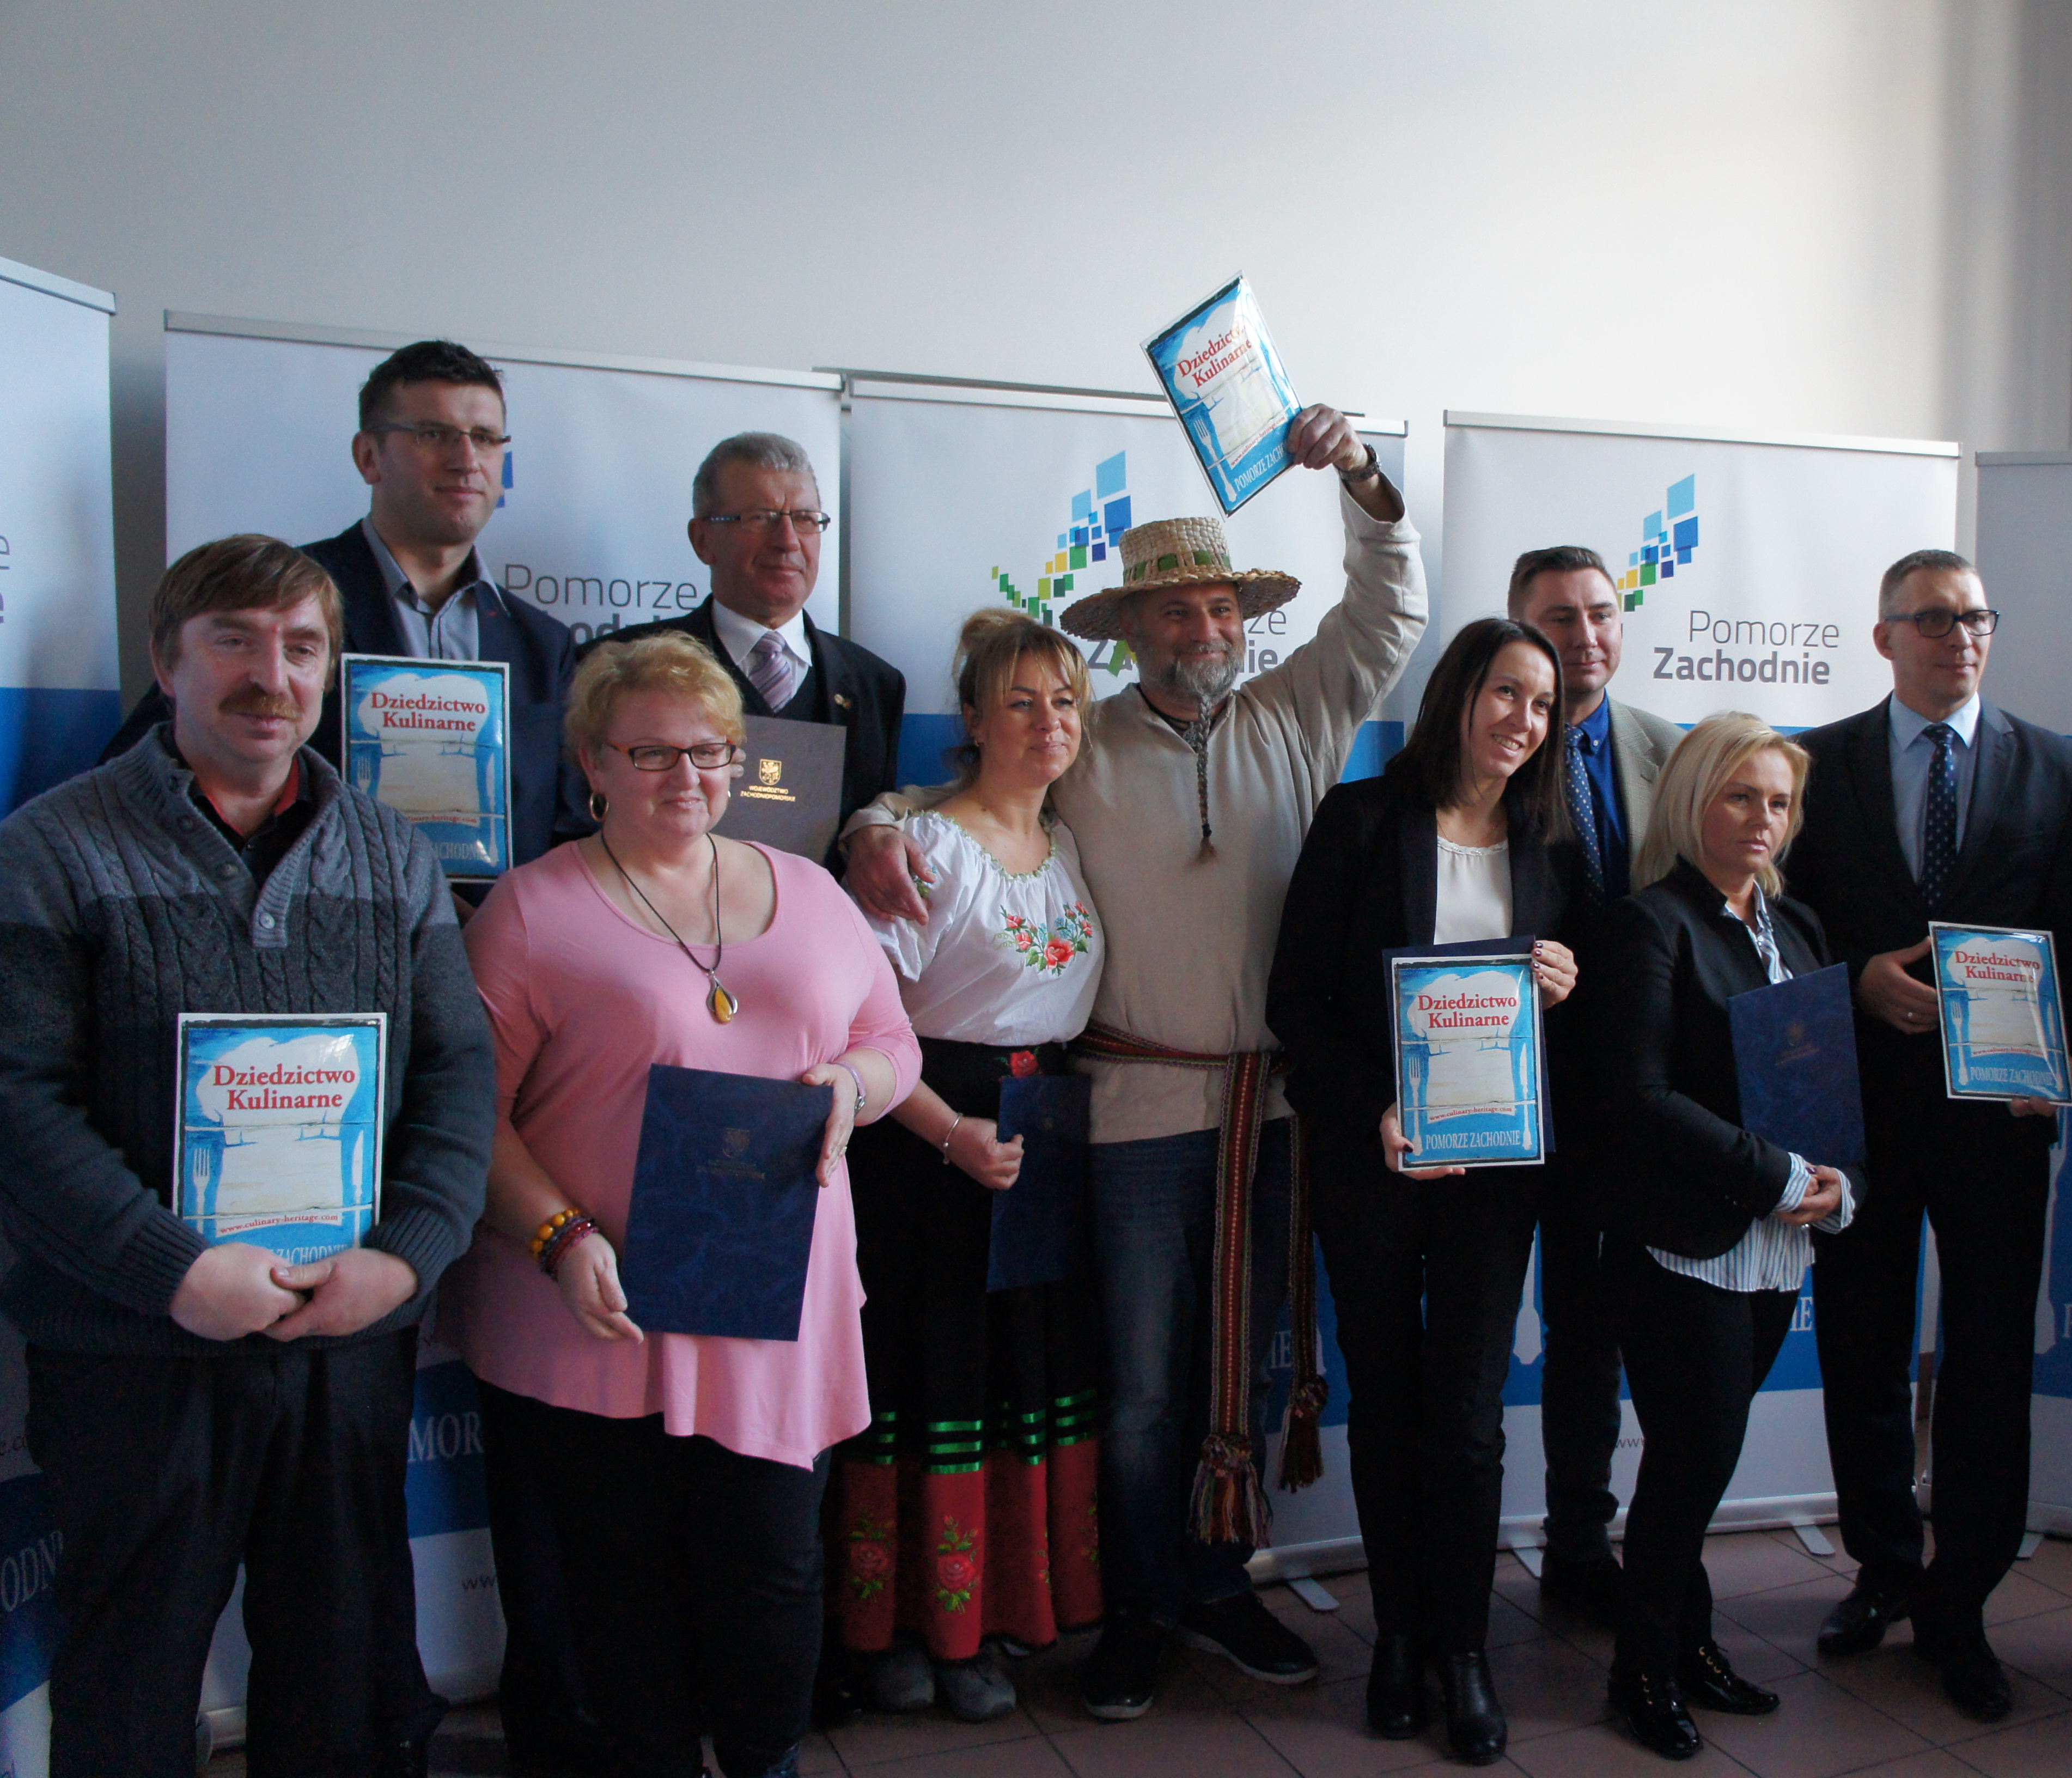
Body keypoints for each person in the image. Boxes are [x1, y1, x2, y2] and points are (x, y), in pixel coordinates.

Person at [844, 406, 1423, 1720]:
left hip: (1273, 1113)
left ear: (1242, 620)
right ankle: (1143, 1604)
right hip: (1130, 1115)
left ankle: (1221, 1586)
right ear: (1132, 630)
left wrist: (1358, 472)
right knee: (1146, 1380)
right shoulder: (1081, 737)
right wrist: (873, 817)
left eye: (1218, 607)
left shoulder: (1298, 711)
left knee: (1246, 1370)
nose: (1200, 629)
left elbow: (1390, 607)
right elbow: (965, 803)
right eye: (1173, 611)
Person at [0, 534, 494, 1776]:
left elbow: (457, 1072)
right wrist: (172, 1268)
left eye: (302, 646)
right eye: (234, 640)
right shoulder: (50, 849)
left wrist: (406, 1259)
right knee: (130, 1679)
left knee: (341, 1670)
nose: (272, 675)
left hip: (345, 1338)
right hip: (134, 1349)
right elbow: (18, 1102)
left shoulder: (392, 852)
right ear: (166, 662)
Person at [437, 631, 921, 1778]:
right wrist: (559, 1236)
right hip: (595, 1307)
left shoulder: (810, 892)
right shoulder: (530, 911)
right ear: (592, 765)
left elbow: (892, 1043)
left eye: (709, 751)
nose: (686, 775)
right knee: (621, 1590)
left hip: (774, 1302)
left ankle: (765, 1762)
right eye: (649, 752)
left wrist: (850, 1089)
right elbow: (464, 1114)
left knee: (775, 1573)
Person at [1782, 547, 2072, 1721]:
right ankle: (1882, 1567)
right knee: (1861, 1348)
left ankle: (1959, 1600)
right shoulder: (1814, 762)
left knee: (1986, 1355)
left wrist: (2056, 1052)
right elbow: (1780, 924)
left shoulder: (2056, 765)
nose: (1957, 637)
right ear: (1883, 638)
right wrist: (1853, 981)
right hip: (1858, 1109)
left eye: (1974, 617)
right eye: (1931, 619)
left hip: (1995, 1118)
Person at [1268, 617, 1585, 1764]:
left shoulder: (1553, 844)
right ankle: (1397, 1637)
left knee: (1465, 1418)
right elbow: (1295, 1001)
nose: (1522, 720)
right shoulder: (1361, 818)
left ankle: (1463, 1649)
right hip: (1376, 1160)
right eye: (1505, 693)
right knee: (1387, 1402)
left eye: (1542, 704)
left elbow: (1588, 1018)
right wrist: (1375, 1112)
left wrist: (1568, 982)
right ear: (1456, 694)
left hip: (1495, 1177)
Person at [830, 609, 1107, 1725]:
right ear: (975, 719)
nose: (1049, 722)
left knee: (1011, 1378)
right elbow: (857, 1024)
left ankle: (988, 1617)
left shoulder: (1072, 842)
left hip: (1042, 1133)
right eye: (1021, 702)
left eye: (1066, 701)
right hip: (926, 1141)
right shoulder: (925, 846)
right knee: (924, 1376)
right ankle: (900, 1629)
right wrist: (948, 1130)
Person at [1582, 713, 1860, 1762]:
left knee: (1701, 1459)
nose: (1761, 819)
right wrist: (1775, 1174)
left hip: (1778, 1242)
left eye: (1778, 800)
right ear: (1692, 798)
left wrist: (1838, 1179)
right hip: (1682, 1240)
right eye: (1740, 794)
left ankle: (1687, 1643)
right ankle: (1641, 1668)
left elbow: (1828, 1085)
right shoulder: (1647, 924)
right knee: (1691, 1460)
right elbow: (1636, 1096)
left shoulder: (1801, 928)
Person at [97, 339, 588, 872]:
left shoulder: (544, 645)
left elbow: (573, 825)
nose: (466, 460)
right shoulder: (275, 603)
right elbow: (141, 776)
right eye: (433, 434)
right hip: (310, 911)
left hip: (499, 925)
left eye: (485, 438)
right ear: (368, 457)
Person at [1505, 545, 1686, 1621]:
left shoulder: (1674, 751)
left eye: (1601, 613)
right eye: (1558, 617)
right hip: (1507, 1087)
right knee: (1499, 1327)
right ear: (1519, 627)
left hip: (1640, 1098)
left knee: (1596, 1333)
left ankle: (1583, 1542)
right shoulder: (1491, 748)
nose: (1584, 636)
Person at [602, 430, 906, 870]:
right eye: (760, 518)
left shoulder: (875, 686)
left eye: (805, 518)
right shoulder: (619, 669)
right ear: (703, 539)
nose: (788, 541)